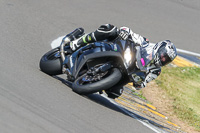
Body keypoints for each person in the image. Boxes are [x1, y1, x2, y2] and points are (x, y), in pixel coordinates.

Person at [63, 24, 177, 97]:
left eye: (166, 60)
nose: (163, 59)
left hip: (127, 71)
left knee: (115, 93)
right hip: (118, 51)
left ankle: (95, 80)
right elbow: (126, 30)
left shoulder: (156, 71)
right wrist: (125, 32)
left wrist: (139, 83)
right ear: (159, 48)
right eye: (163, 56)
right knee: (110, 29)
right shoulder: (144, 43)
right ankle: (77, 43)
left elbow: (142, 83)